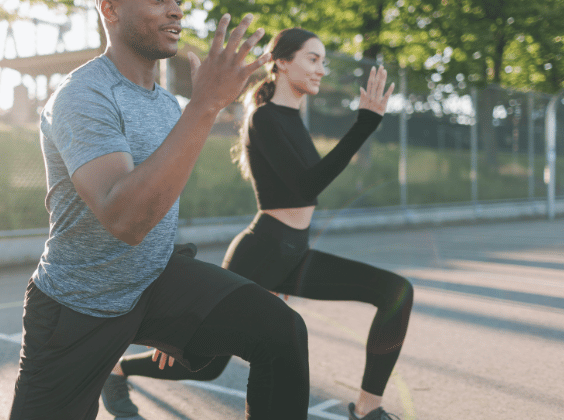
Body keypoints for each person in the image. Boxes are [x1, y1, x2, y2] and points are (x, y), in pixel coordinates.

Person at [9, 0, 313, 420]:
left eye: (177, 1)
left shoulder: (167, 104)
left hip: (153, 283)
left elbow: (160, 204)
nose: (174, 11)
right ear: (110, 10)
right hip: (79, 306)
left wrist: (183, 311)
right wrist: (207, 104)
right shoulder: (82, 97)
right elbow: (125, 220)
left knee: (281, 332)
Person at [102, 28, 414, 420]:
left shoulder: (292, 118)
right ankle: (116, 369)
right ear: (282, 62)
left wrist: (364, 124)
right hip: (262, 252)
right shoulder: (264, 118)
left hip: (294, 252)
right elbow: (306, 185)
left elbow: (307, 184)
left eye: (323, 61)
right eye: (312, 59)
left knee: (395, 292)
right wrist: (364, 124)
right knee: (206, 360)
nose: (321, 69)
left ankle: (369, 408)